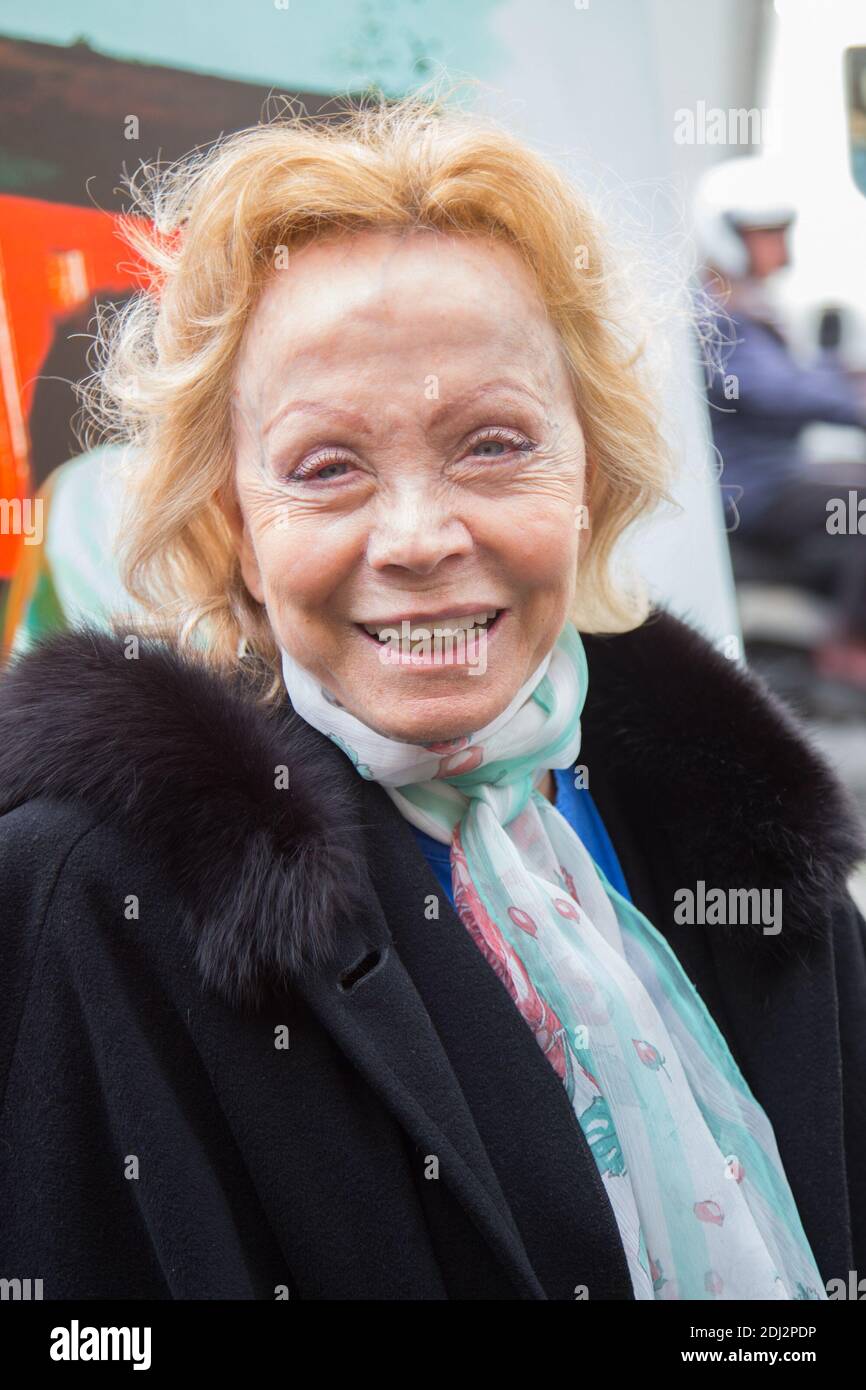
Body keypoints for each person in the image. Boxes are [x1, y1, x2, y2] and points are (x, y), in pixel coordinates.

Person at [1, 93, 865, 1302]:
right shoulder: (91, 898)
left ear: (591, 474)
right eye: (326, 465)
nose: (416, 536)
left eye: (493, 443)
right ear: (234, 525)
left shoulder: (742, 825)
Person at [695, 155, 866, 689]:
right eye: (765, 234)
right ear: (727, 234)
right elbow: (777, 391)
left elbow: (804, 376)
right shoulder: (710, 312)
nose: (779, 249)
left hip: (776, 478)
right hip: (750, 491)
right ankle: (850, 650)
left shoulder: (748, 302)